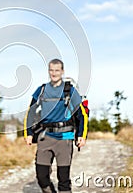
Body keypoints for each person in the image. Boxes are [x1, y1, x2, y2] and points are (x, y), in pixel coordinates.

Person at [24, 59, 88, 193]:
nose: (54, 73)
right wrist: (28, 133)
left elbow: (81, 115)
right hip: (45, 137)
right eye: (51, 70)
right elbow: (30, 112)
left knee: (63, 179)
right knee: (42, 177)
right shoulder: (41, 90)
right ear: (49, 71)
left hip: (64, 139)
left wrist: (81, 135)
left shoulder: (70, 90)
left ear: (62, 72)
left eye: (57, 70)